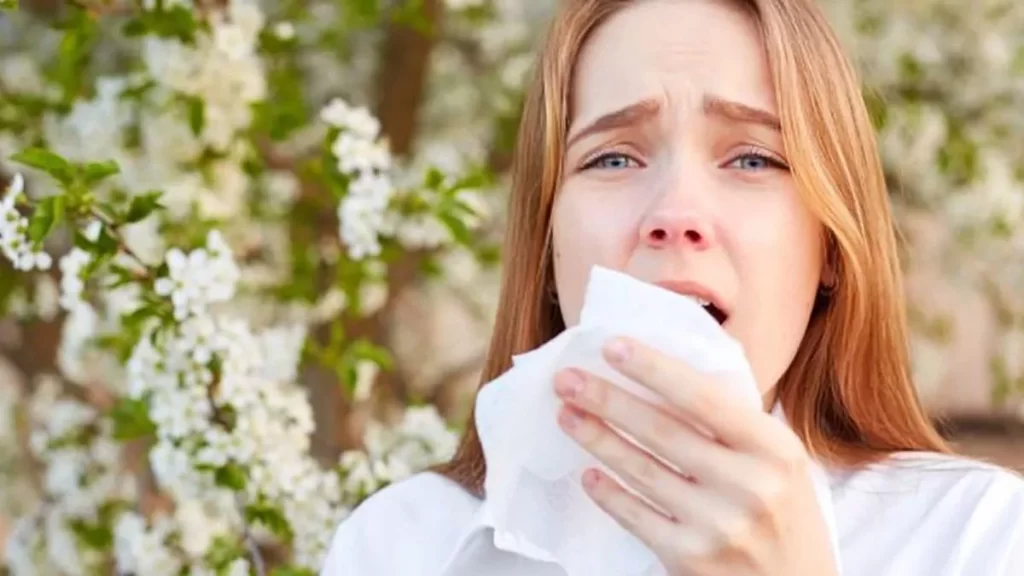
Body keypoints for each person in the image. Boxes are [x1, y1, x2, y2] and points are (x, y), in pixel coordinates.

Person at [319, 0, 1024, 574]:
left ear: (830, 249)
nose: (674, 216)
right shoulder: (400, 547)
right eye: (614, 157)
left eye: (752, 158)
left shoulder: (977, 541)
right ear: (547, 247)